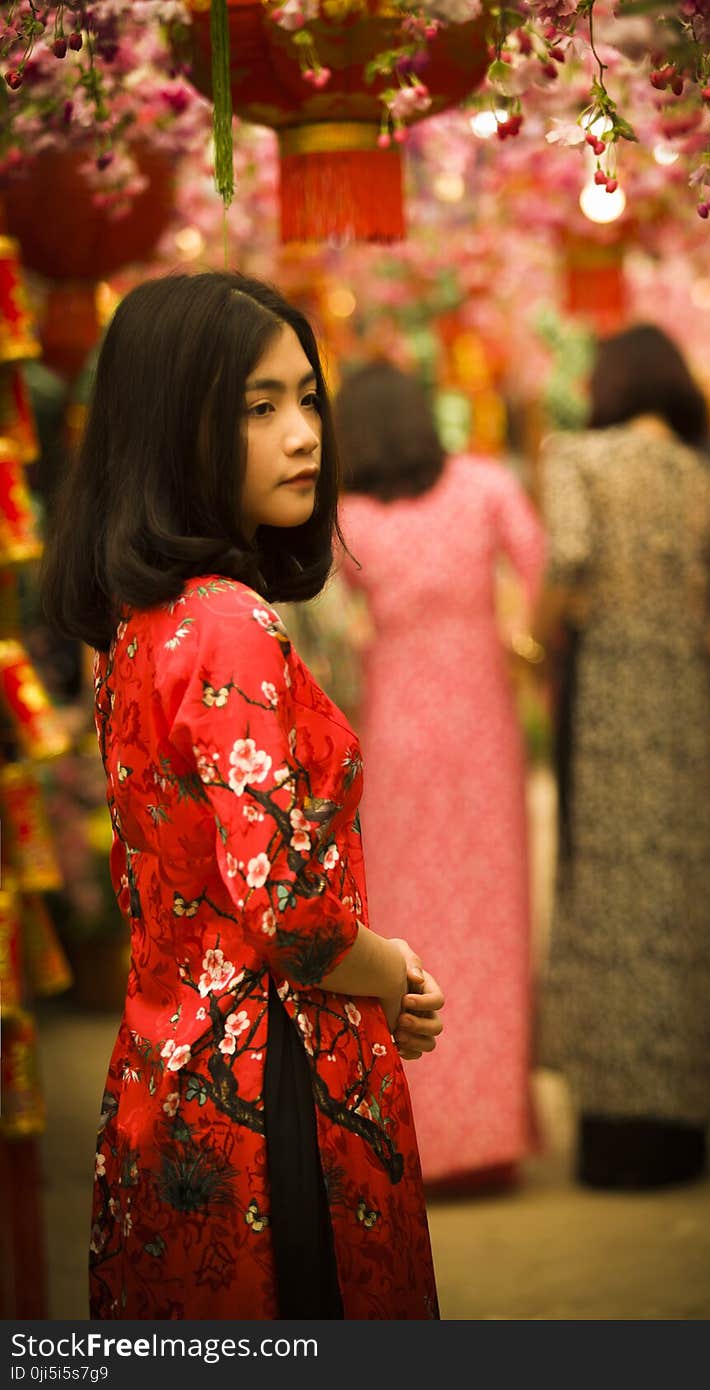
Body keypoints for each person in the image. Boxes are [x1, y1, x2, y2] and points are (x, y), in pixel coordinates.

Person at [40, 271, 445, 1320]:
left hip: (170, 1084)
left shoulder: (139, 623)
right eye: (258, 409)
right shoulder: (229, 623)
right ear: (174, 429)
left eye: (307, 399)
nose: (303, 433)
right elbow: (295, 920)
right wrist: (391, 969)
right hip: (278, 1099)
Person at [534, 323, 710, 1189]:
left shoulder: (577, 457)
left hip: (609, 705)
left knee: (613, 899)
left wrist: (535, 633)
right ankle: (683, 1130)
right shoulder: (707, 474)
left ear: (611, 384)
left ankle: (615, 1130)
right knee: (682, 903)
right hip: (684, 707)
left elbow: (571, 555)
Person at [334, 361, 545, 1193]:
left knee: (406, 922)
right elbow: (540, 569)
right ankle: (491, 1132)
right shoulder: (486, 485)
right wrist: (520, 648)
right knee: (492, 925)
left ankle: (413, 1137)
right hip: (482, 731)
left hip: (392, 740)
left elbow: (314, 608)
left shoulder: (346, 516)